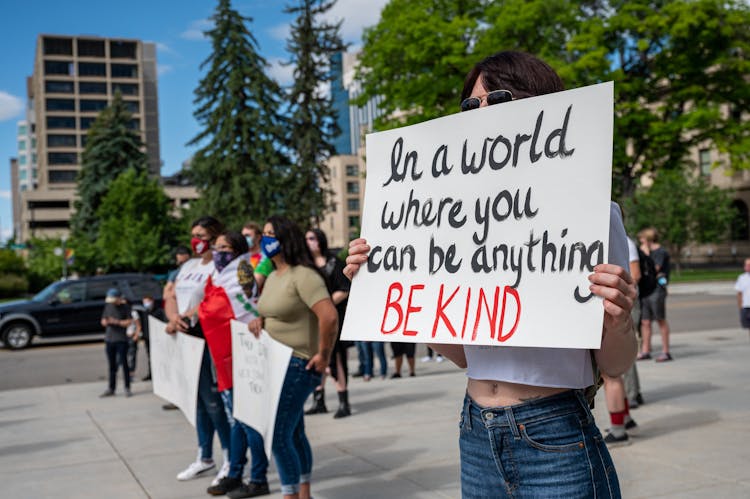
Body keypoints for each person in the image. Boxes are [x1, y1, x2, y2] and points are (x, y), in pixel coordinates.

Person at [343, 51, 637, 498]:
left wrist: (619, 317)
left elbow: (615, 365)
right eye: (470, 104)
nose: (480, 112)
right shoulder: (447, 220)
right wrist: (383, 284)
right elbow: (462, 355)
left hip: (555, 430)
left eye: (497, 98)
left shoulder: (592, 214)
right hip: (476, 429)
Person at [247, 215, 338, 499]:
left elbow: (329, 316)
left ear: (286, 238)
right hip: (274, 364)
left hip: (298, 364)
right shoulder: (273, 276)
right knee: (295, 433)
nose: (265, 239)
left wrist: (323, 356)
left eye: (271, 234)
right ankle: (304, 493)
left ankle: (290, 494)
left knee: (278, 436)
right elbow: (274, 309)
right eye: (263, 234)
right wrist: (260, 319)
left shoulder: (304, 275)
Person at [200, 231, 270, 498]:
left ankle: (259, 477)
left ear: (237, 250)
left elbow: (215, 309)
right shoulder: (219, 276)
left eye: (224, 248)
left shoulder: (242, 272)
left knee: (250, 421)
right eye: (215, 247)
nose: (218, 252)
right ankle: (235, 473)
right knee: (238, 421)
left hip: (246, 353)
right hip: (228, 357)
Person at [164, 216, 232, 486]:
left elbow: (216, 299)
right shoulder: (190, 265)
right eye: (193, 235)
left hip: (207, 339)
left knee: (214, 403)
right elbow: (170, 295)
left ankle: (230, 458)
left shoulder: (219, 266)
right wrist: (173, 318)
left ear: (214, 237)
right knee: (197, 402)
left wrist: (190, 315)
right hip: (185, 338)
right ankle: (204, 456)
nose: (196, 241)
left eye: (202, 236)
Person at [304, 228, 352, 418]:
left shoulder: (334, 263)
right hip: (312, 321)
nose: (308, 242)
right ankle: (319, 400)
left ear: (320, 240)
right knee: (318, 359)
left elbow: (345, 288)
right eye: (306, 239)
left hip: (332, 319)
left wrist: (324, 304)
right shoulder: (306, 266)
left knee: (337, 359)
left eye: (312, 238)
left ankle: (343, 401)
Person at [637, 227, 673, 362]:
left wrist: (645, 255)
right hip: (646, 290)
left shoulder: (660, 252)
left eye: (642, 238)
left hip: (657, 290)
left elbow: (654, 268)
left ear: (648, 239)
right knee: (645, 322)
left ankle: (666, 351)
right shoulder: (647, 252)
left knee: (660, 320)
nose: (640, 241)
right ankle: (646, 350)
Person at [100, 288, 134, 398]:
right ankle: (111, 388)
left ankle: (127, 387)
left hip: (121, 340)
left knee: (124, 364)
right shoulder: (108, 306)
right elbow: (103, 320)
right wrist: (105, 322)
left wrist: (116, 322)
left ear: (119, 298)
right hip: (109, 339)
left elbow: (129, 322)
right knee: (112, 365)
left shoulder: (125, 307)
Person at [136, 295, 166, 381]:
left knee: (160, 356)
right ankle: (151, 373)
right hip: (147, 337)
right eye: (144, 301)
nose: (146, 304)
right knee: (150, 356)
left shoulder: (159, 311)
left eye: (147, 301)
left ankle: (161, 373)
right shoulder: (145, 312)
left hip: (157, 338)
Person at [735, 258, 750, 338]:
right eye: (746, 265)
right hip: (746, 307)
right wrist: (740, 307)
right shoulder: (741, 278)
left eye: (749, 265)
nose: (748, 267)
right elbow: (739, 293)